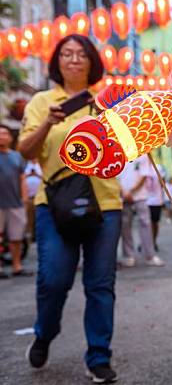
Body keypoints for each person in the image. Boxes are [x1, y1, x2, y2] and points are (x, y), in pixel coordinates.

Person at [17, 34, 121, 382]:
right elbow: (26, 151)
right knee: (54, 278)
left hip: (105, 201)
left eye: (81, 54)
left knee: (100, 283)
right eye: (66, 54)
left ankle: (98, 357)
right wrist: (48, 120)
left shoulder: (108, 100)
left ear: (92, 60)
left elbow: (130, 146)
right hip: (55, 203)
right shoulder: (41, 102)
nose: (74, 59)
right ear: (56, 61)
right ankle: (44, 333)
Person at [118, 156, 164, 267]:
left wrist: (131, 191)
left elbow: (144, 175)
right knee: (125, 226)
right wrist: (124, 192)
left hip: (140, 195)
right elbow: (114, 176)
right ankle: (129, 255)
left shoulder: (142, 152)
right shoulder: (118, 151)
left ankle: (149, 255)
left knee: (145, 224)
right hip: (123, 195)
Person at [0, 124, 31, 278]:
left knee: (17, 237)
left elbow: (22, 178)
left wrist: (24, 199)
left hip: (15, 203)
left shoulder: (17, 156)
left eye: (5, 133)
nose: (2, 136)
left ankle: (16, 266)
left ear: (10, 138)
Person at [146, 161, 165, 252]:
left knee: (154, 222)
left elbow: (163, 182)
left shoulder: (158, 167)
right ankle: (146, 242)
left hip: (156, 200)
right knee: (146, 223)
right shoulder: (139, 166)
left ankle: (153, 241)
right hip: (144, 200)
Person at [24, 158, 42, 245]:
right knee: (29, 219)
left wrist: (36, 174)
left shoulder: (41, 165)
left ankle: (39, 238)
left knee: (39, 219)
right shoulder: (26, 165)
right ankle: (29, 239)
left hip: (39, 197)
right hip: (29, 197)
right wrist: (30, 174)